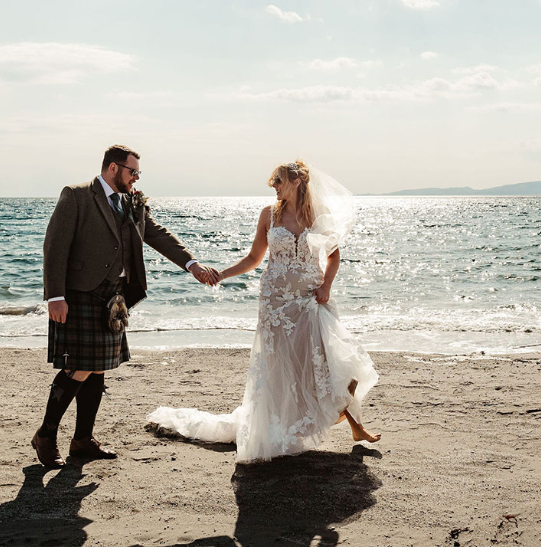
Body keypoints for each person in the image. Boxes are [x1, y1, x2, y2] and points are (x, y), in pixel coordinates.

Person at [149, 161, 379, 463]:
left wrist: (327, 286)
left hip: (311, 298)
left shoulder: (318, 215)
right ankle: (284, 426)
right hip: (275, 302)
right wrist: (223, 274)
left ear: (297, 182)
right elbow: (254, 258)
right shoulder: (268, 216)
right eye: (273, 181)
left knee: (331, 360)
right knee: (281, 366)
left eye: (279, 180)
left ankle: (356, 425)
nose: (274, 185)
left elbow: (333, 258)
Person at [33, 144, 220, 469]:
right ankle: (46, 435)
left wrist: (192, 264)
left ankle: (82, 440)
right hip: (79, 294)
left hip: (113, 297)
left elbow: (155, 233)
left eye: (138, 173)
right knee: (80, 366)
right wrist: (54, 295)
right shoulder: (76, 195)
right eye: (132, 171)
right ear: (113, 169)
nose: (136, 178)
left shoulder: (132, 202)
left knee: (99, 366)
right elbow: (55, 245)